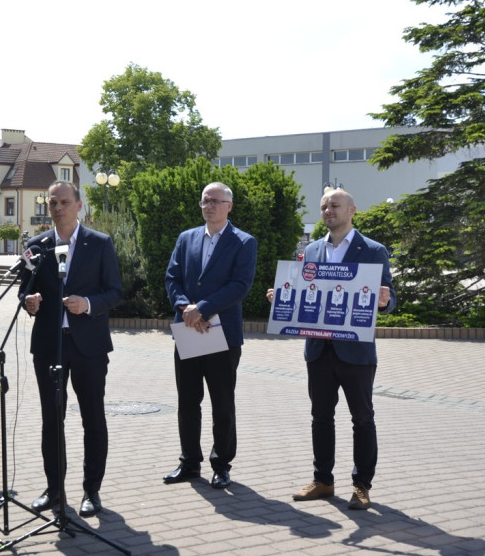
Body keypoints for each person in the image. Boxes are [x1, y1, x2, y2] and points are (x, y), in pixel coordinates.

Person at [270, 189, 395, 511]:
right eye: (324, 206)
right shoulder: (311, 250)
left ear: (352, 210)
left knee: (362, 419)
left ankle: (362, 485)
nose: (328, 210)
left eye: (335, 205)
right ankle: (323, 480)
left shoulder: (373, 250)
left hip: (356, 352)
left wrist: (385, 300)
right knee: (320, 417)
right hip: (318, 351)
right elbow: (307, 293)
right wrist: (283, 297)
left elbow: (391, 300)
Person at [19, 180, 121, 518]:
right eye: (52, 203)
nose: (58, 208)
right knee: (52, 420)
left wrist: (88, 303)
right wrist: (29, 302)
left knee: (93, 419)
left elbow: (114, 292)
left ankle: (91, 491)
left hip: (89, 346)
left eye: (64, 202)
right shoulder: (36, 246)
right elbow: (25, 291)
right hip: (50, 345)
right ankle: (54, 489)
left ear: (78, 205)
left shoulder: (100, 244)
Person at [163, 182, 257, 490]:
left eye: (216, 201)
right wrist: (185, 307)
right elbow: (172, 277)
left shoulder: (244, 242)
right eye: (205, 201)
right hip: (189, 330)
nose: (209, 206)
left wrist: (201, 308)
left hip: (222, 333)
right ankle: (190, 462)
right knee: (188, 401)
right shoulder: (186, 238)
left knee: (222, 402)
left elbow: (240, 285)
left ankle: (222, 464)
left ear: (229, 206)